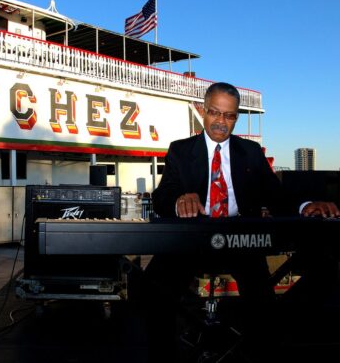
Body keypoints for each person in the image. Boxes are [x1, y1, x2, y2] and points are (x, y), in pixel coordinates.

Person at [144, 82, 340, 361]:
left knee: (265, 301)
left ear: (236, 117)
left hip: (242, 240)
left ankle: (257, 350)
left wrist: (307, 205)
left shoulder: (250, 152)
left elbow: (276, 194)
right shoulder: (180, 150)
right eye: (214, 113)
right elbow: (162, 196)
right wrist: (178, 201)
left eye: (229, 116)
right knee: (155, 288)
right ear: (202, 110)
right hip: (193, 240)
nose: (221, 122)